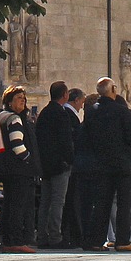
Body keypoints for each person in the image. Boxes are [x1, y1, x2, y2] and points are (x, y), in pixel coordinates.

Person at [79, 77, 131, 252]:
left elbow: (84, 139)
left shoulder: (91, 112)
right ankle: (123, 241)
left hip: (100, 164)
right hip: (122, 164)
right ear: (113, 90)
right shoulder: (121, 111)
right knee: (124, 202)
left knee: (102, 203)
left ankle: (95, 241)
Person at [0, 84, 39, 252]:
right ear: (9, 101)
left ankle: (8, 240)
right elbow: (17, 145)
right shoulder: (14, 119)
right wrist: (29, 159)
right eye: (19, 99)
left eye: (24, 99)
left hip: (7, 169)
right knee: (18, 206)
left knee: (9, 204)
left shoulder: (1, 117)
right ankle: (16, 240)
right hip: (19, 170)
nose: (23, 102)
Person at [35, 81, 75, 248]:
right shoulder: (61, 113)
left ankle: (42, 235)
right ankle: (55, 236)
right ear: (65, 95)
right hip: (59, 165)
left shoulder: (44, 113)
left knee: (45, 201)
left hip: (45, 165)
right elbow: (66, 140)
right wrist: (70, 160)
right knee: (58, 201)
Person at [61, 87, 86, 248]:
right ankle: (71, 235)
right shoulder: (69, 116)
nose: (82, 106)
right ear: (75, 100)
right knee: (70, 201)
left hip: (67, 165)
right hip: (71, 166)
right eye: (81, 102)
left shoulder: (66, 114)